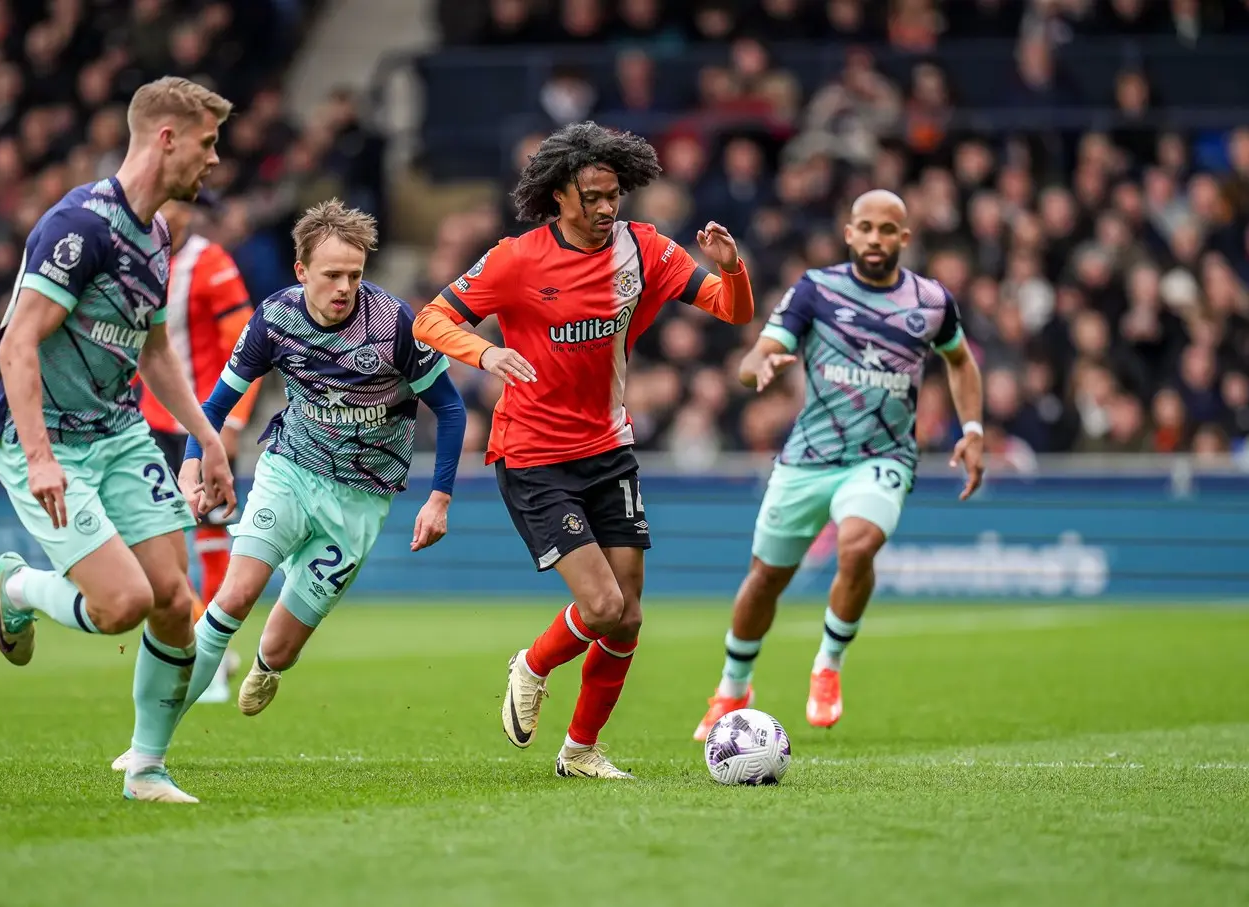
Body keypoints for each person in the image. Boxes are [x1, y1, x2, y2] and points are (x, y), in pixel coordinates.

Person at [413, 121, 755, 779]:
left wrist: (732, 270)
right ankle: (533, 663)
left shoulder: (645, 250)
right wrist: (484, 351)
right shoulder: (515, 259)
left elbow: (732, 311)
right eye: (591, 196)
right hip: (534, 453)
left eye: (613, 196)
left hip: (609, 447)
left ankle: (579, 750)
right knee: (600, 607)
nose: (604, 209)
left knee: (626, 620)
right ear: (558, 195)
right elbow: (430, 318)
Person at [0, 76, 237, 803]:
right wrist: (38, 458)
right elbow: (16, 345)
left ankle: (147, 771)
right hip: (50, 438)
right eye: (207, 142)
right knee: (121, 602)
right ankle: (20, 587)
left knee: (172, 597)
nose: (214, 160)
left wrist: (204, 435)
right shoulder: (78, 226)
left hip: (118, 431)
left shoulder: (155, 235)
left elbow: (153, 352)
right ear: (166, 137)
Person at [154, 198, 466, 721]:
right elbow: (218, 401)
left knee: (280, 648)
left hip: (360, 499)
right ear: (301, 271)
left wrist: (439, 497)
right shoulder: (275, 318)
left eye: (355, 274)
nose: (345, 287)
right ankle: (152, 738)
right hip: (290, 471)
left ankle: (266, 665)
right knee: (233, 597)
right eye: (331, 274)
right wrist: (193, 459)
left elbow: (451, 409)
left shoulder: (393, 324)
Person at [691, 190, 986, 742]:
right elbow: (760, 351)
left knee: (858, 544)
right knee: (765, 580)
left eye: (887, 229)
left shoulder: (931, 301)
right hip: (809, 457)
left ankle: (827, 663)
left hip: (883, 457)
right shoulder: (816, 290)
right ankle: (733, 687)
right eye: (866, 228)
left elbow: (961, 362)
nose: (876, 238)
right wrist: (758, 368)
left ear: (904, 238)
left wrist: (972, 431)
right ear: (849, 234)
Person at [138, 194, 260, 704]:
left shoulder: (211, 264)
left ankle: (209, 653)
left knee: (210, 534)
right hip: (144, 422)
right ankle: (199, 634)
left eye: (180, 204)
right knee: (143, 541)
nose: (171, 214)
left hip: (202, 424)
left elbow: (245, 343)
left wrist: (231, 421)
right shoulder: (136, 257)